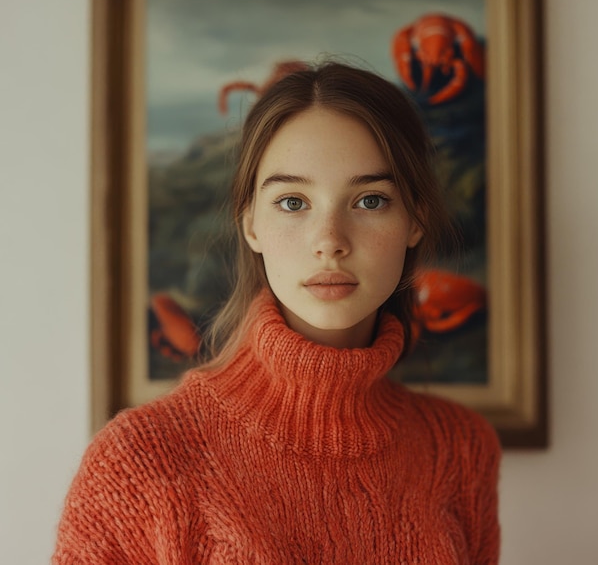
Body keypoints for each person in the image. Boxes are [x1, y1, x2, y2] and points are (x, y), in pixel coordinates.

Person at [53, 61, 500, 564]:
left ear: (415, 221)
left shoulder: (460, 449)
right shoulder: (138, 463)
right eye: (292, 202)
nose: (329, 241)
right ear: (251, 226)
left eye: (370, 200)